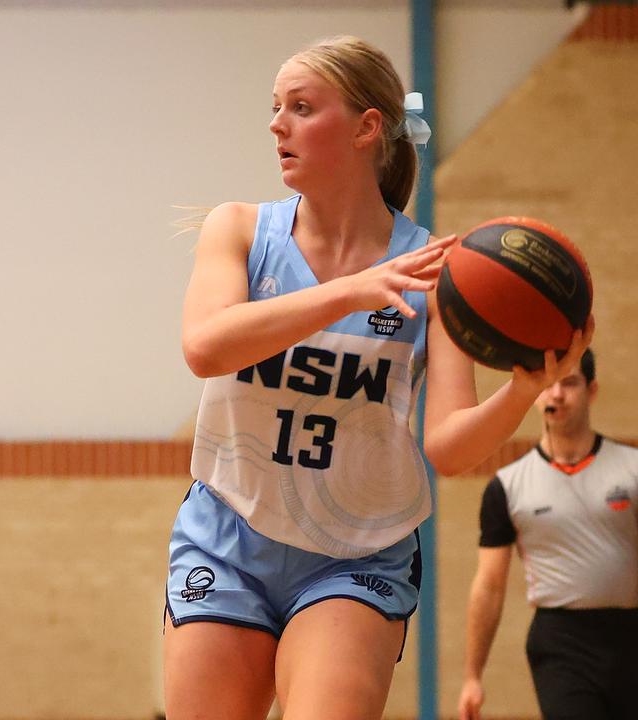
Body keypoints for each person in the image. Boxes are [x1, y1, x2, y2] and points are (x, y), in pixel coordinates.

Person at [166, 35, 592, 720]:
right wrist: (349, 293)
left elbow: (450, 448)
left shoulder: (436, 269)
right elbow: (205, 347)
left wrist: (523, 386)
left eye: (301, 107)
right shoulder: (240, 230)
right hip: (228, 534)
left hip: (354, 556)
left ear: (367, 129)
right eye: (275, 108)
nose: (278, 124)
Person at [457, 349, 638, 720]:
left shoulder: (632, 470)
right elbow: (489, 586)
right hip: (560, 642)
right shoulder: (507, 487)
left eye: (569, 384)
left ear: (593, 390)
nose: (556, 395)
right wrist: (472, 676)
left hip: (630, 633)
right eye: (547, 385)